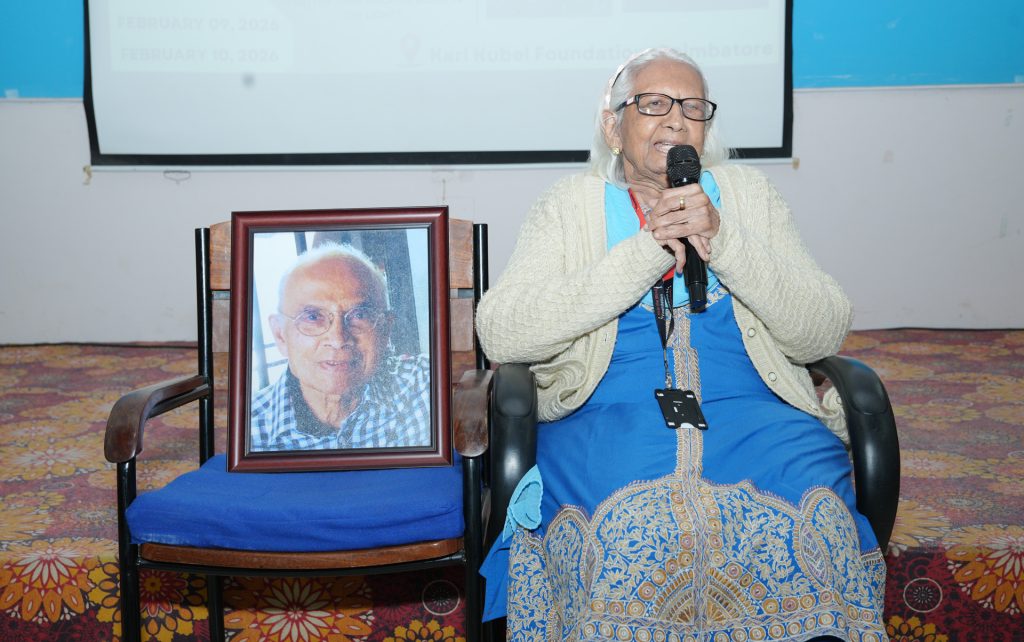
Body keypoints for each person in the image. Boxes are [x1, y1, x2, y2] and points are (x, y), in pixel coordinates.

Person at [476, 48, 886, 641]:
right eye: (653, 104)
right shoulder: (570, 206)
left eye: (692, 107)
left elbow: (823, 329)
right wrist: (646, 251)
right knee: (624, 533)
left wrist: (724, 242)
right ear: (614, 126)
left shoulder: (748, 197)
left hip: (754, 406)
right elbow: (503, 331)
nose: (675, 120)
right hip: (605, 410)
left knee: (811, 511)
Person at [249, 242, 431, 451]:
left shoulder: (425, 385)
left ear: (385, 331)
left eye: (359, 315)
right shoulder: (248, 429)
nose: (337, 338)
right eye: (312, 316)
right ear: (280, 335)